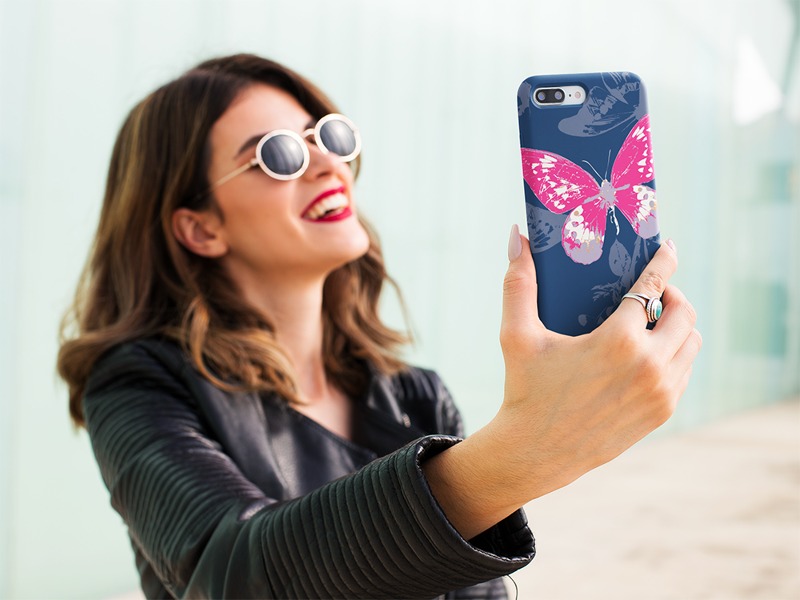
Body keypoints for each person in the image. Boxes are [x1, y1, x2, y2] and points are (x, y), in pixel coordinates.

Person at [57, 53, 701, 599]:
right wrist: (520, 452)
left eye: (328, 137)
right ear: (200, 228)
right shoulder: (137, 384)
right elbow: (232, 572)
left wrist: (522, 452)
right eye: (278, 155)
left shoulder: (414, 397)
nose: (325, 165)